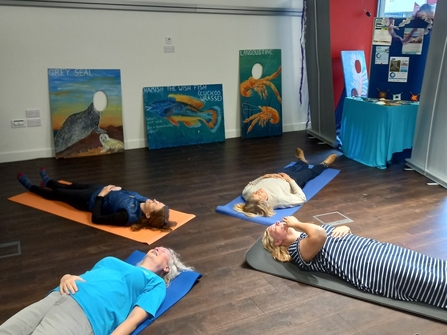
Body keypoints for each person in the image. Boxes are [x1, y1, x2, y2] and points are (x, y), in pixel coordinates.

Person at [262, 216, 447, 309]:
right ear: (277, 242)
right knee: (427, 279)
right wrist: (298, 223)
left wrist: (344, 227)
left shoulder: (305, 232)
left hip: (375, 249)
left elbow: (327, 233)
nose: (278, 222)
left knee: (428, 264)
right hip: (370, 265)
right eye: (273, 227)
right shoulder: (297, 250)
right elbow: (319, 235)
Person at [0, 247, 193, 335]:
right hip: (57, 295)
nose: (158, 248)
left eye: (165, 252)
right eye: (157, 247)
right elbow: (89, 277)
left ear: (167, 269)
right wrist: (66, 276)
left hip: (86, 314)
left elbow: (133, 320)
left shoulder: (155, 283)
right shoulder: (112, 261)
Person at [17, 168, 176, 231]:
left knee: (58, 194)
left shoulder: (127, 216)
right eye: (157, 201)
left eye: (155, 204)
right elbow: (129, 194)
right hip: (101, 189)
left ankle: (30, 187)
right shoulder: (144, 201)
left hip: (89, 200)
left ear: (148, 215)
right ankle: (48, 182)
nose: (154, 200)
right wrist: (118, 188)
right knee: (70, 186)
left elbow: (97, 218)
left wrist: (101, 196)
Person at [234, 148, 337, 217]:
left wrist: (263, 177)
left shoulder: (247, 193)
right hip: (293, 181)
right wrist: (290, 180)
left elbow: (250, 185)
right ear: (265, 201)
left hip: (278, 175)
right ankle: (324, 164)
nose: (258, 191)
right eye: (259, 194)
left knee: (295, 167)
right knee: (310, 172)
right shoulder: (279, 200)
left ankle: (303, 161)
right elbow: (302, 198)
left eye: (255, 193)